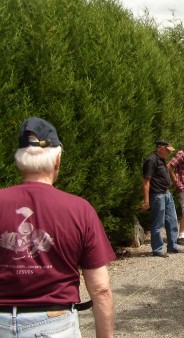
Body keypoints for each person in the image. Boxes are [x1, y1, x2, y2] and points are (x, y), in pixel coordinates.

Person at [0, 117, 115, 337]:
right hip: (54, 324)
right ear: (57, 161)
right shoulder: (79, 210)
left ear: (18, 161)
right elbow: (100, 289)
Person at [142, 140, 184, 257]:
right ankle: (157, 249)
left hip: (166, 194)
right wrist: (146, 201)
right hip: (157, 195)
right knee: (158, 223)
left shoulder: (161, 159)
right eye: (168, 150)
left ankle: (172, 246)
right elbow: (146, 181)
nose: (169, 153)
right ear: (161, 149)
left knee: (172, 220)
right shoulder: (151, 160)